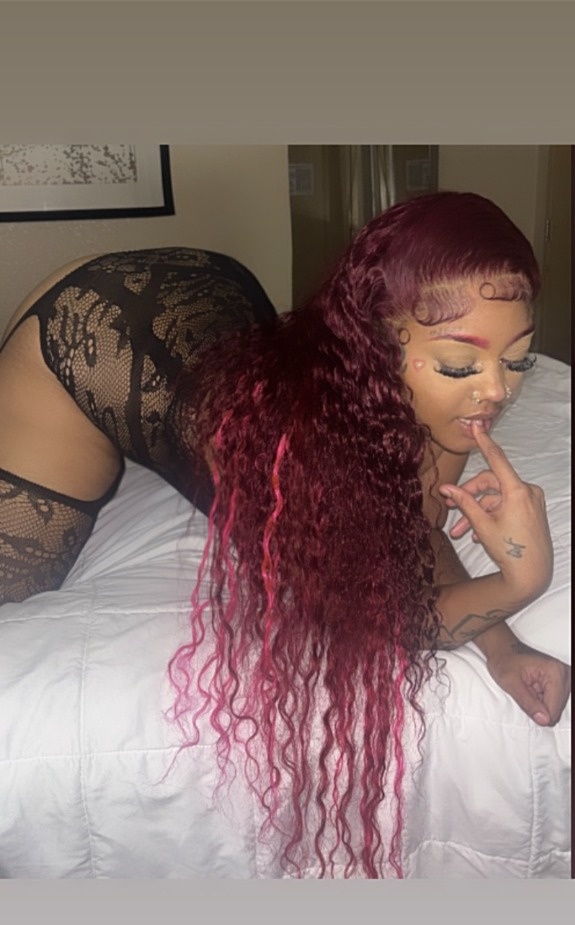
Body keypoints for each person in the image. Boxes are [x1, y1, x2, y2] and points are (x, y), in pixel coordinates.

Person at [0, 193, 569, 878]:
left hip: (214, 287)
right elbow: (392, 615)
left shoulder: (443, 417)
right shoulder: (292, 463)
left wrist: (503, 645)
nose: (496, 392)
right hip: (90, 324)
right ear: (372, 346)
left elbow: (411, 530)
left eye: (518, 361)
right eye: (459, 366)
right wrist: (521, 580)